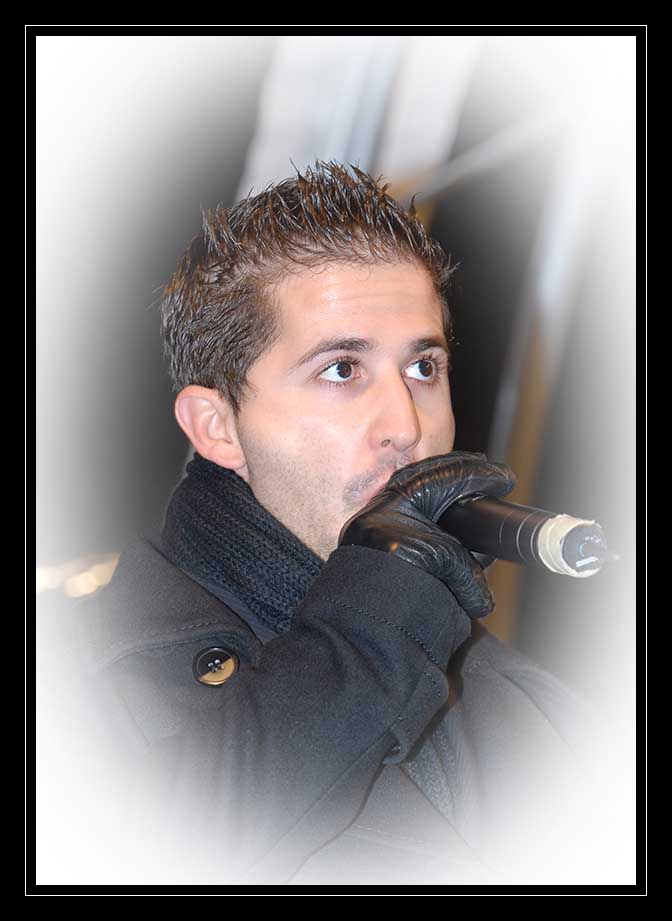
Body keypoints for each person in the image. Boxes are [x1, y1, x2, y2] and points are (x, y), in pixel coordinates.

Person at [46, 160, 616, 887]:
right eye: (342, 370)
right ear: (217, 427)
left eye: (424, 368)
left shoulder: (546, 714)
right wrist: (373, 630)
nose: (405, 426)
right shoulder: (69, 687)